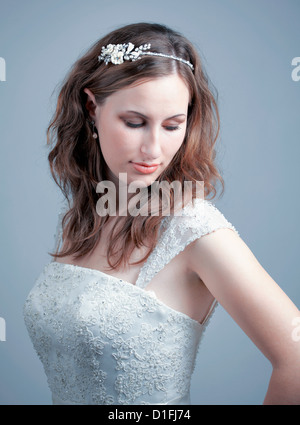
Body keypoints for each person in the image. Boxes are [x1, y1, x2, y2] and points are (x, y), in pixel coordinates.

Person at [23, 22, 300, 405]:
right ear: (91, 108)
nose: (154, 149)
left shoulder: (194, 229)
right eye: (135, 123)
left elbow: (296, 360)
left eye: (173, 125)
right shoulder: (91, 215)